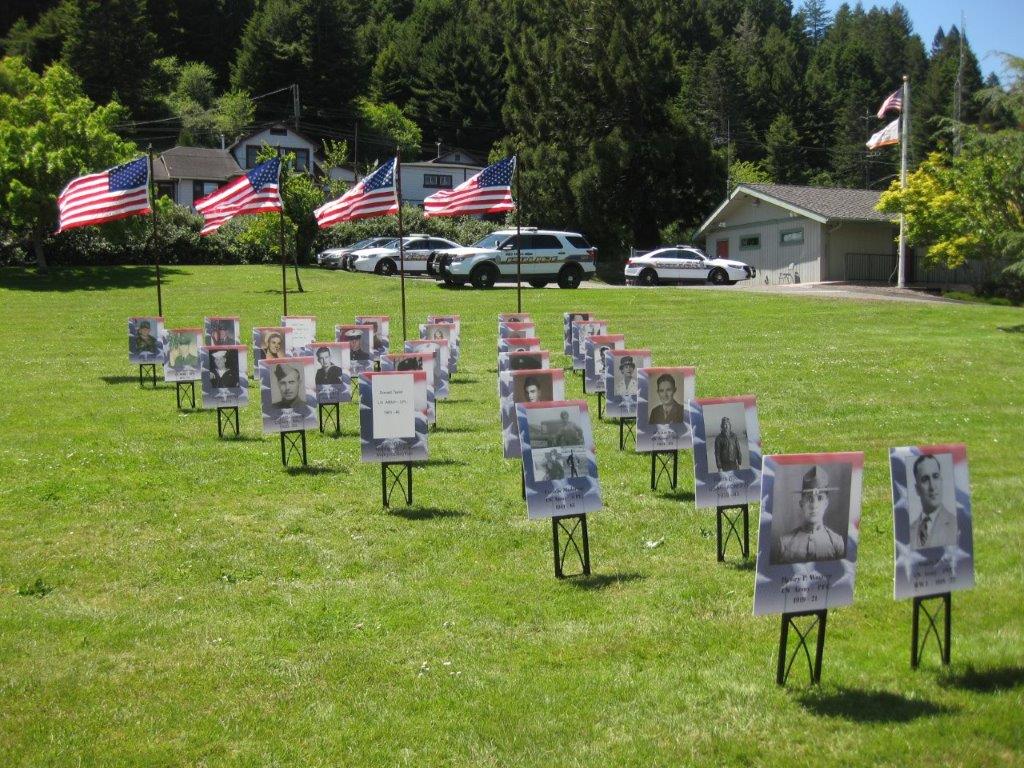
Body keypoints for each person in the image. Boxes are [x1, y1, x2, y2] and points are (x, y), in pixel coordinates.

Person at [773, 466, 846, 564]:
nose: (814, 505)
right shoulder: (785, 543)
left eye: (819, 498)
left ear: (826, 504)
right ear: (801, 504)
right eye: (809, 499)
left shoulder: (836, 542)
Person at [909, 454, 958, 549]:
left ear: (941, 480)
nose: (932, 486)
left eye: (935, 476)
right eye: (925, 480)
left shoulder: (955, 525)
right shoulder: (910, 530)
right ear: (917, 489)